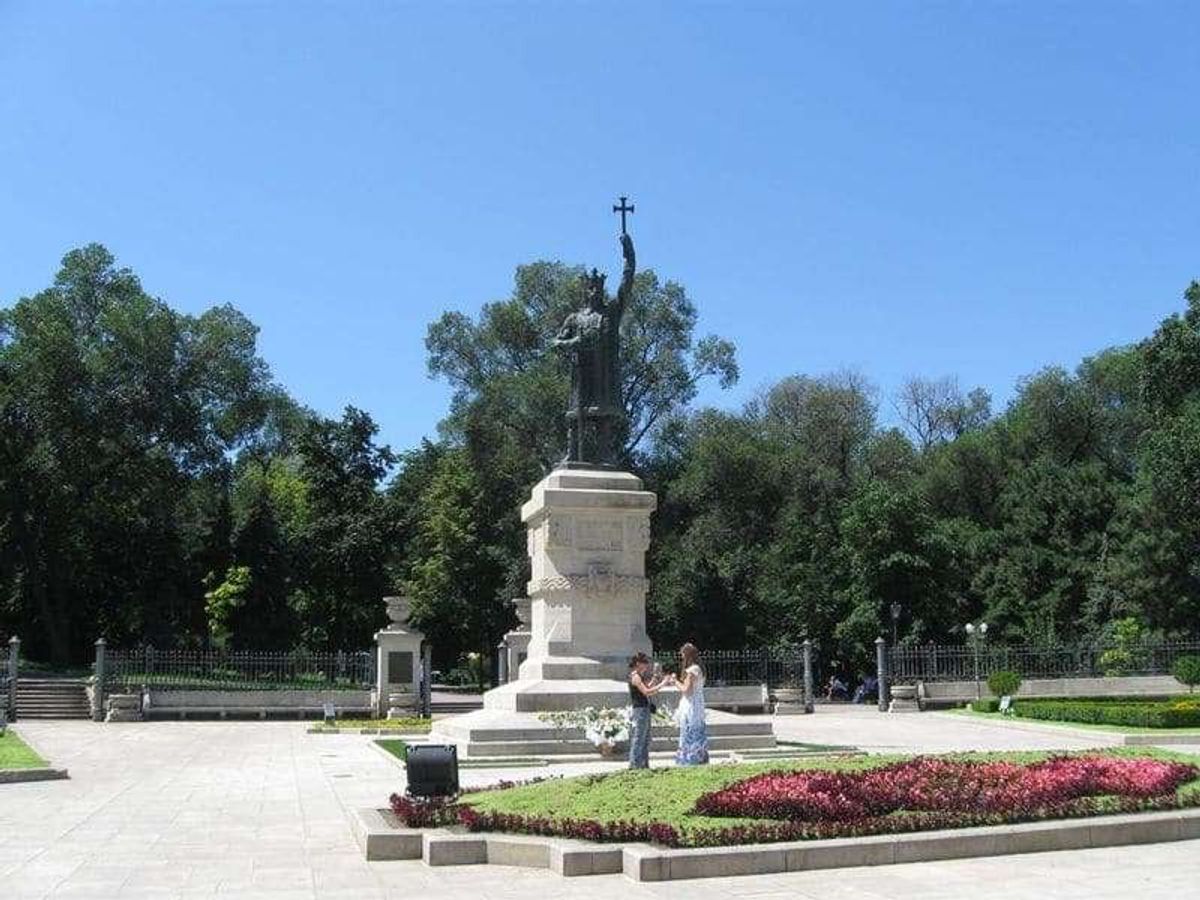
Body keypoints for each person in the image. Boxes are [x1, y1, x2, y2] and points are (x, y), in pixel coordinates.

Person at [664, 642, 709, 766]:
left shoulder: (692, 670)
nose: (682, 658)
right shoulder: (700, 668)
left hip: (691, 703)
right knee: (697, 728)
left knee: (689, 729)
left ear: (687, 655)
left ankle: (690, 759)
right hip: (698, 702)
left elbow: (686, 689)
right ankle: (699, 756)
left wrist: (675, 681)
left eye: (683, 655)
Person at [627, 652, 663, 769]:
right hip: (640, 709)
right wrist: (663, 683)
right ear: (638, 663)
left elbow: (648, 688)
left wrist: (655, 679)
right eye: (644, 663)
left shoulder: (639, 676)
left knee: (645, 738)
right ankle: (635, 764)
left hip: (644, 708)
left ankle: (643, 764)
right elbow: (646, 692)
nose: (646, 666)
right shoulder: (635, 676)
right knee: (639, 737)